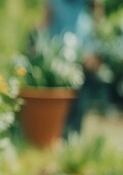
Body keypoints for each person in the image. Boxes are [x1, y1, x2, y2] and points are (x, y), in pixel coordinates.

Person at [43, 0, 108, 137]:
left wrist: (96, 50)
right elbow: (46, 21)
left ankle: (73, 136)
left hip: (82, 54)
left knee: (79, 100)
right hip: (57, 54)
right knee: (60, 99)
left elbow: (97, 17)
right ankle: (57, 135)